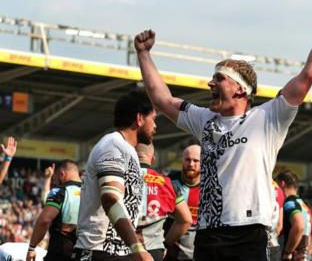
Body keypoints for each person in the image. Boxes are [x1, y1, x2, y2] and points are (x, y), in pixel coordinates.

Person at [134, 0, 312, 260]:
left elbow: (309, 74)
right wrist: (144, 54)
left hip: (249, 233)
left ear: (241, 89)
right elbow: (162, 98)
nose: (210, 83)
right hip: (208, 232)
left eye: (219, 78)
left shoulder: (268, 117)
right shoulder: (205, 119)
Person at [73, 90, 156, 261]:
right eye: (153, 119)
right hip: (99, 252)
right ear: (139, 118)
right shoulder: (113, 145)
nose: (155, 126)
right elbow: (110, 198)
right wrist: (137, 248)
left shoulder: (127, 150)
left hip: (117, 253)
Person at [135, 143, 192, 261]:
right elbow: (186, 220)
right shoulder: (167, 183)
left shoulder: (119, 179)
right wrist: (166, 243)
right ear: (153, 158)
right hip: (154, 250)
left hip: (124, 249)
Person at [26, 160, 82, 261]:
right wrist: (48, 179)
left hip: (60, 252)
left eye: (56, 179)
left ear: (62, 174)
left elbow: (44, 220)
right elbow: (47, 200)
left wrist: (31, 248)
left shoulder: (60, 191)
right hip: (84, 253)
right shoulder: (91, 193)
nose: (56, 182)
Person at [165, 145, 201, 261]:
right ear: (182, 161)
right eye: (187, 159)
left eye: (196, 160)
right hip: (169, 255)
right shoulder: (168, 182)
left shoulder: (210, 187)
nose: (191, 164)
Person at [275, 170, 312, 261]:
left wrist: (288, 252)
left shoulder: (289, 202)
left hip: (292, 257)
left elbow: (299, 226)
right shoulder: (304, 205)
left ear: (282, 183)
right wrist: (307, 250)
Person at [268, 180, 285, 261]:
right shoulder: (279, 190)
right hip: (274, 245)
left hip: (259, 245)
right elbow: (280, 225)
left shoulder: (259, 184)